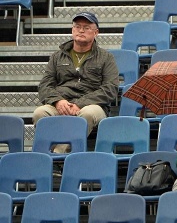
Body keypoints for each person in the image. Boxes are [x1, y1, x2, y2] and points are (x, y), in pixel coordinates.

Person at [34, 12, 118, 152]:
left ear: (96, 32)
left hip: (92, 105)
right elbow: (45, 85)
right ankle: (45, 156)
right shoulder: (57, 57)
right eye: (77, 26)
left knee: (87, 115)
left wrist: (80, 104)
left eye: (86, 27)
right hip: (61, 103)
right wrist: (58, 101)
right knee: (40, 113)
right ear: (72, 30)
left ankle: (56, 155)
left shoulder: (106, 58)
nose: (81, 30)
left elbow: (110, 89)